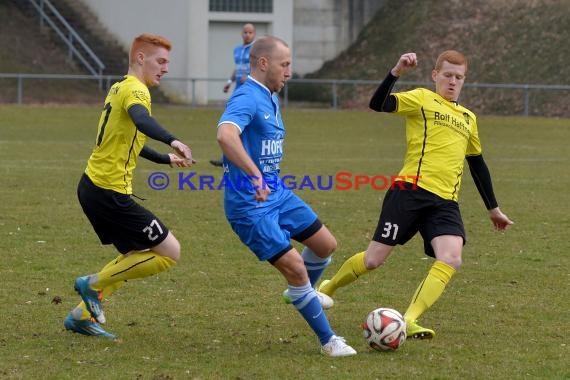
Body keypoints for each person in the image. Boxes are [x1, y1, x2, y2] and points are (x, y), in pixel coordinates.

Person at [318, 51, 514, 340]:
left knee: (451, 258)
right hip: (409, 192)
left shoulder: (468, 118)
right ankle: (328, 287)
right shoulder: (422, 98)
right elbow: (379, 104)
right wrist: (396, 71)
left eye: (459, 77)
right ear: (435, 75)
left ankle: (407, 320)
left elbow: (477, 164)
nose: (452, 81)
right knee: (373, 260)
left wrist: (493, 208)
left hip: (445, 202)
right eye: (447, 75)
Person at [216, 36, 356, 357]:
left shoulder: (271, 97)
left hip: (277, 192)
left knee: (325, 246)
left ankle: (301, 292)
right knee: (296, 268)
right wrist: (253, 174)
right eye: (285, 65)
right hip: (249, 204)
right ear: (263, 64)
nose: (289, 72)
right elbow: (225, 135)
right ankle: (329, 341)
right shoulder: (247, 97)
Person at [64, 33, 195, 339]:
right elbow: (141, 120)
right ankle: (91, 284)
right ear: (140, 58)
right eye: (160, 61)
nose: (165, 68)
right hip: (108, 192)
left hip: (93, 187)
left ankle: (81, 317)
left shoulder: (118, 86)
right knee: (168, 252)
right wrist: (173, 140)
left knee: (136, 254)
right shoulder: (137, 90)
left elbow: (128, 138)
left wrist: (165, 158)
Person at [210, 23, 256, 167]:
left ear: (254, 34)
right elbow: (238, 68)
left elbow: (257, 69)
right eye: (245, 32)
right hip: (238, 90)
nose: (247, 35)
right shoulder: (237, 50)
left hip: (249, 91)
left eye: (250, 32)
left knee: (245, 125)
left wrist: (248, 78)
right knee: (231, 124)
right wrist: (229, 81)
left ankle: (241, 157)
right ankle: (227, 157)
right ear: (241, 34)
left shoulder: (255, 50)